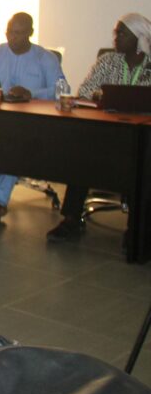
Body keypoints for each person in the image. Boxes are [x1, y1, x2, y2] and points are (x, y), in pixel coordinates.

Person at [47, 13, 151, 243]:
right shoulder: (107, 61)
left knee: (142, 164)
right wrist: (99, 96)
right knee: (83, 157)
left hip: (143, 135)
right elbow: (85, 92)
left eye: (122, 33)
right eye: (115, 32)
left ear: (140, 38)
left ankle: (136, 229)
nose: (116, 37)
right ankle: (71, 220)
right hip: (107, 131)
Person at [0, 12, 65, 227]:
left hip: (31, 122)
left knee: (14, 142)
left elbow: (61, 90)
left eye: (19, 33)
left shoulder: (45, 58)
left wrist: (32, 93)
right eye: (10, 32)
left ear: (30, 33)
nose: (13, 38)